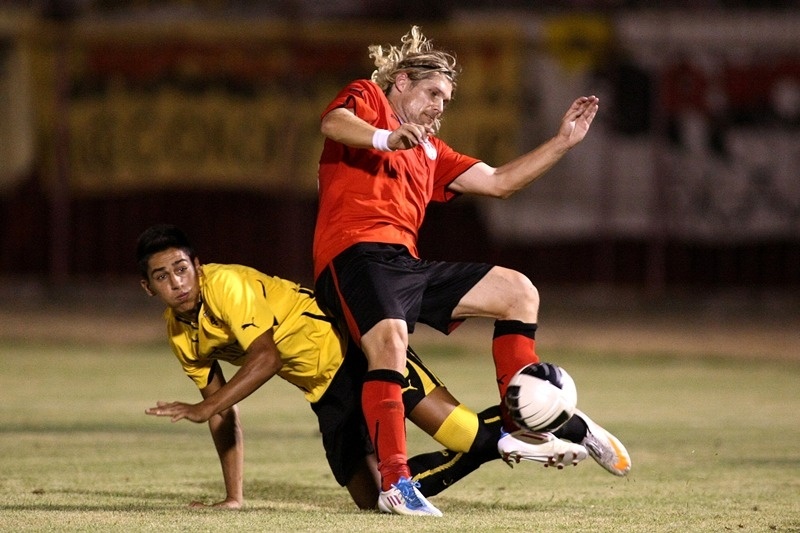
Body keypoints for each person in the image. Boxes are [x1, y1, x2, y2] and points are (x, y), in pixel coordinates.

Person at [312, 26, 630, 516]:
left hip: (404, 265)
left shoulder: (430, 152)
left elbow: (501, 182)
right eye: (433, 93)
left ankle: (523, 415)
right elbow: (333, 123)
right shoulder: (369, 99)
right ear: (401, 82)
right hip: (354, 256)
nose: (441, 106)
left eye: (447, 98)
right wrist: (384, 136)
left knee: (517, 291)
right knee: (391, 348)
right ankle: (398, 484)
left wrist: (563, 142)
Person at [136, 224, 592, 514]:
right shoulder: (180, 334)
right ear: (147, 287)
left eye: (182, 268)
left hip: (354, 346)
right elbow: (222, 413)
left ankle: (559, 420)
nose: (177, 282)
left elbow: (266, 357)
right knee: (373, 501)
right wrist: (234, 496)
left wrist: (206, 405)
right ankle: (529, 428)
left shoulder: (226, 284)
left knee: (463, 434)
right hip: (322, 388)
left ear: (197, 265)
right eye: (162, 276)